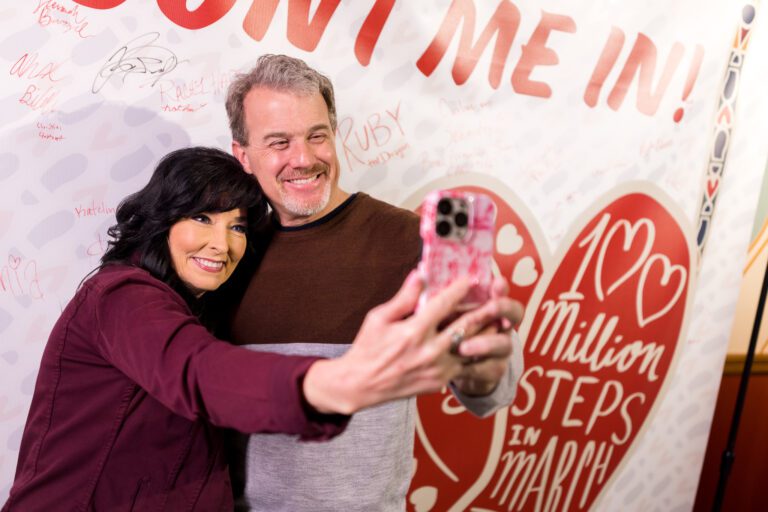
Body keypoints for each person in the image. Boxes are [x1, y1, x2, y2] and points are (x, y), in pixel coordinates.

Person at [2, 147, 519, 511]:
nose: (221, 244)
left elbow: (492, 390)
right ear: (162, 219)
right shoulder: (119, 296)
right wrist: (331, 383)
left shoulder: (204, 304)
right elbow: (199, 373)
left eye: (238, 227)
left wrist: (481, 364)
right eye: (202, 219)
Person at [226, 55, 525, 510]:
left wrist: (483, 371)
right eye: (279, 142)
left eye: (317, 135)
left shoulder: (413, 240)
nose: (303, 159)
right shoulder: (224, 258)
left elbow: (495, 393)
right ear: (243, 156)